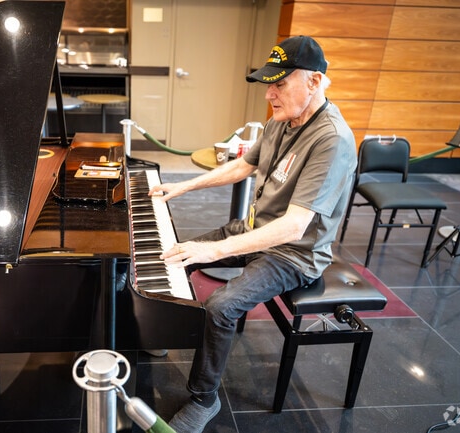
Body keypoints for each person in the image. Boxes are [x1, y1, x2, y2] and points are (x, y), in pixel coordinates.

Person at [148, 36, 357, 432]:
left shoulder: (332, 140)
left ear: (313, 82)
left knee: (221, 306)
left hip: (295, 253)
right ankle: (159, 329)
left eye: (279, 84)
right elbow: (244, 165)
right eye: (269, 84)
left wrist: (214, 251)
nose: (270, 94)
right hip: (258, 228)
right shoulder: (282, 120)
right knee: (176, 252)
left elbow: (295, 226)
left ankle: (203, 399)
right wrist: (183, 186)